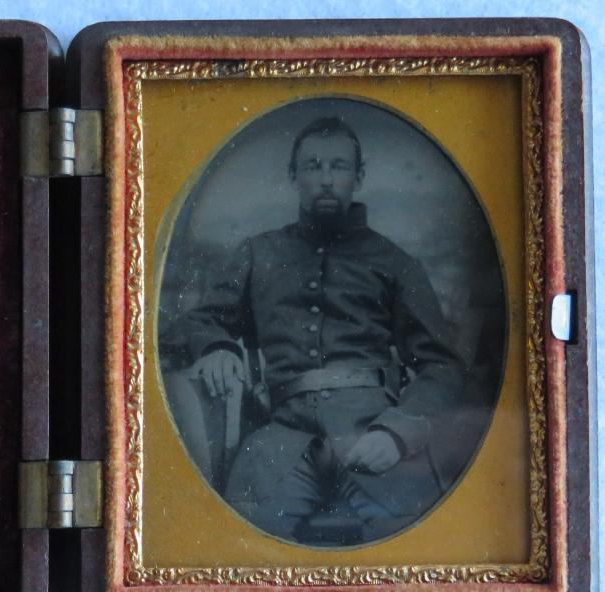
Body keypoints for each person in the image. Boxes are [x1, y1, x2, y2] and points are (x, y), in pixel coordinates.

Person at [160, 116, 466, 544]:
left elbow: (442, 367)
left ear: (357, 177)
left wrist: (397, 433)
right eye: (313, 166)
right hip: (281, 438)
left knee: (419, 550)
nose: (326, 179)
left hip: (373, 432)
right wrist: (216, 347)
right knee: (232, 543)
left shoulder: (394, 262)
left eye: (338, 167)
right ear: (294, 176)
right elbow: (195, 321)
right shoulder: (258, 253)